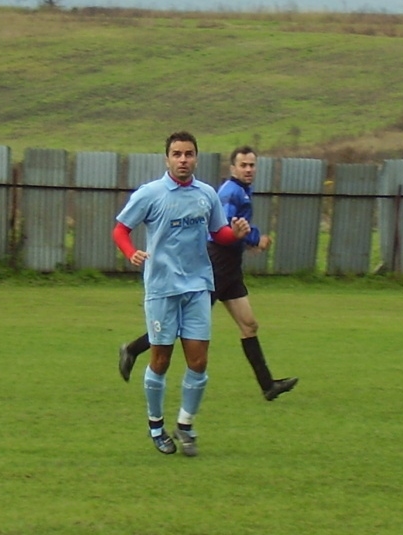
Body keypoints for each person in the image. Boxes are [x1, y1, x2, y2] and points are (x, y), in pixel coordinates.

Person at [118, 145, 298, 401]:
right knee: (182, 326)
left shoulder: (244, 190)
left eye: (252, 165)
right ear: (232, 168)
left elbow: (234, 230)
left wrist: (247, 241)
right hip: (216, 267)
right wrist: (254, 239)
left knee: (249, 325)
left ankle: (268, 385)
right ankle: (132, 349)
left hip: (231, 268)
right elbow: (224, 227)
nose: (248, 169)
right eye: (243, 165)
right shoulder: (229, 192)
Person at [113, 131, 250, 456]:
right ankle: (156, 426)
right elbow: (120, 229)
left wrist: (237, 233)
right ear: (167, 159)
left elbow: (219, 233)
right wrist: (130, 252)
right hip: (162, 290)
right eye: (177, 154)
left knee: (199, 362)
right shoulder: (151, 194)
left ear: (196, 158)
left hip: (198, 288)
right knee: (160, 360)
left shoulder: (206, 195)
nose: (183, 160)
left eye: (189, 154)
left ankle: (185, 426)